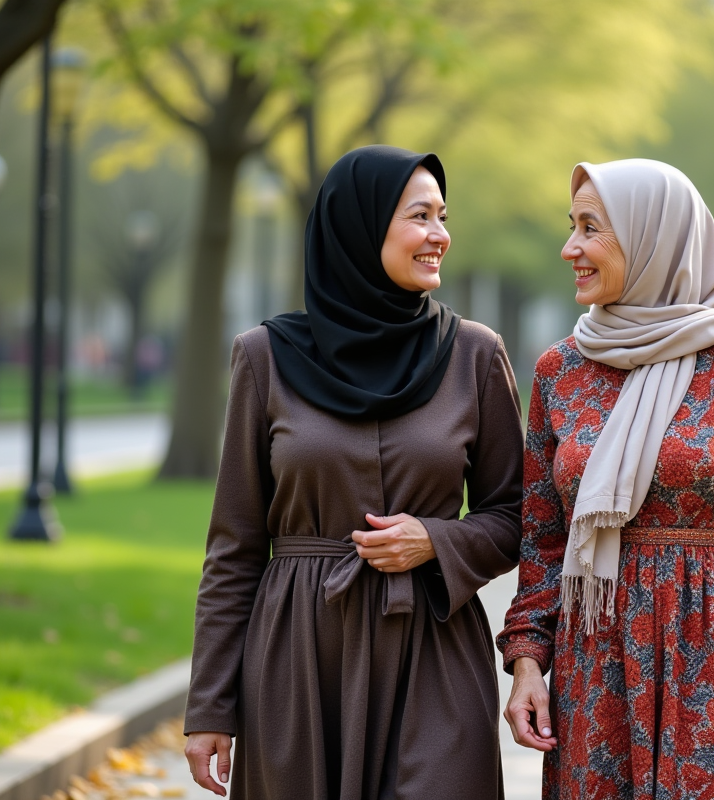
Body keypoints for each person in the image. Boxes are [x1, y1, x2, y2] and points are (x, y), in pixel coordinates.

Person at [182, 146, 524, 799]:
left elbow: (518, 517)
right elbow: (234, 548)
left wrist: (436, 541)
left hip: (433, 654)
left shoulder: (476, 355)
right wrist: (210, 709)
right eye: (420, 215)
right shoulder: (265, 358)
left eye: (443, 217)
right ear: (360, 227)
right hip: (301, 660)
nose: (440, 235)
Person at [497, 159, 714, 799]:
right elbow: (542, 540)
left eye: (591, 229)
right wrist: (527, 663)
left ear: (653, 236)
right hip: (595, 664)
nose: (570, 248)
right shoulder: (558, 373)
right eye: (571, 227)